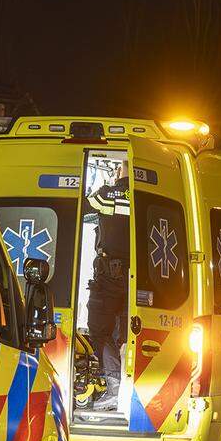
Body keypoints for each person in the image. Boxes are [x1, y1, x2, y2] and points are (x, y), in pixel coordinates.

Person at [86, 163, 130, 411]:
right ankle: (127, 386)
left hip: (110, 277)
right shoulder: (146, 194)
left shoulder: (106, 194)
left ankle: (114, 387)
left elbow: (82, 208)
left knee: (99, 330)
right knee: (126, 333)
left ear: (120, 171)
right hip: (138, 278)